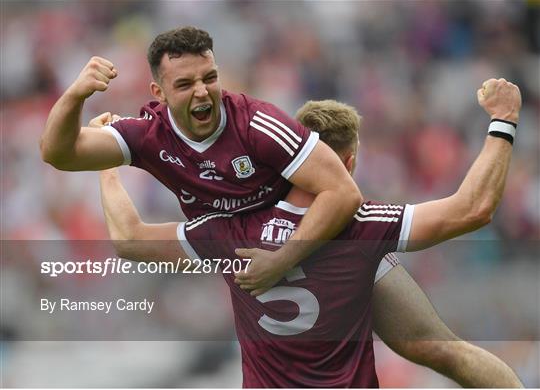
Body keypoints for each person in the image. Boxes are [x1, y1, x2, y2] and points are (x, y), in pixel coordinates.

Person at [96, 79, 523, 387]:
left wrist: (107, 167)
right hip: (354, 273)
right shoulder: (362, 225)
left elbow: (130, 239)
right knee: (440, 348)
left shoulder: (232, 227)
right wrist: (503, 121)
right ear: (350, 162)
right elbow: (474, 209)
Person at [39, 26, 362, 296]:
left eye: (209, 78)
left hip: (323, 245)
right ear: (159, 92)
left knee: (413, 344)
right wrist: (75, 96)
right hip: (229, 244)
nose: (202, 92)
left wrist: (281, 259)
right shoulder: (149, 135)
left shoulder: (257, 125)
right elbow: (58, 153)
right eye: (184, 84)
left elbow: (344, 192)